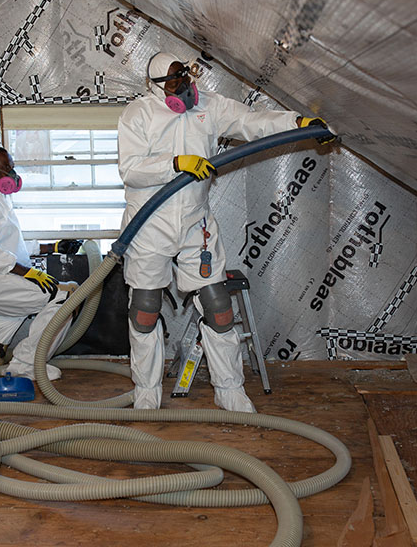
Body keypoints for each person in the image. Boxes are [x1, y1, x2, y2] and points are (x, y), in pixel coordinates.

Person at [117, 51, 333, 411]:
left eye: (184, 75)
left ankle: (230, 389)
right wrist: (175, 164)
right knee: (144, 309)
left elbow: (255, 122)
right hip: (148, 225)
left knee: (218, 308)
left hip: (194, 225)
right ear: (155, 88)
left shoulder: (211, 107)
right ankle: (146, 389)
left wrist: (300, 122)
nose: (182, 85)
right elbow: (131, 170)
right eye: (172, 81)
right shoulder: (137, 114)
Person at [0, 141, 77, 381]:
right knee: (65, 295)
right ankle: (27, 364)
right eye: (4, 168)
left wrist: (53, 246)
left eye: (12, 167)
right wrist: (30, 274)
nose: (12, 174)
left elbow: (14, 247)